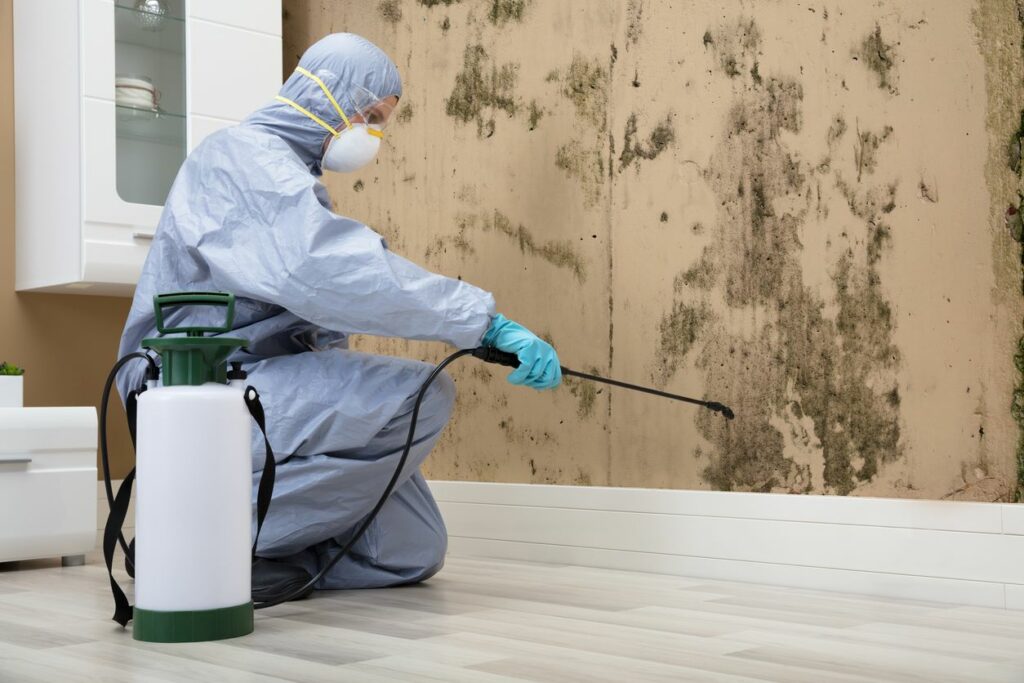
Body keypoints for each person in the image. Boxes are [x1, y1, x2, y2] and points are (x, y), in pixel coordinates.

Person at [116, 33, 561, 602]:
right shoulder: (239, 157)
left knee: (409, 549)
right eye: (370, 115)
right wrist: (479, 321)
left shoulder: (292, 179)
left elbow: (315, 311)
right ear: (324, 93)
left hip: (263, 388)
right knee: (424, 395)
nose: (373, 134)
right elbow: (318, 269)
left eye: (382, 123)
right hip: (197, 389)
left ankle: (272, 548)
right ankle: (191, 545)